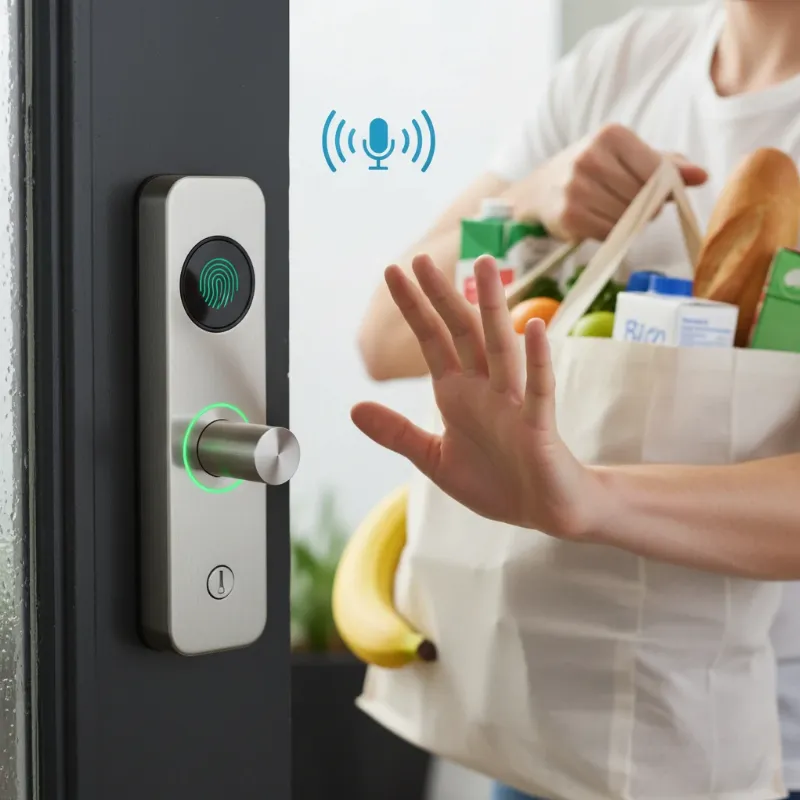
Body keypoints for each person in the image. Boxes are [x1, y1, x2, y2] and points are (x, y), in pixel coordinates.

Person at [355, 1, 800, 798]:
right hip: (538, 732)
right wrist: (532, 203)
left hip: (749, 757)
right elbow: (385, 336)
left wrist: (591, 499)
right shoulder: (621, 65)